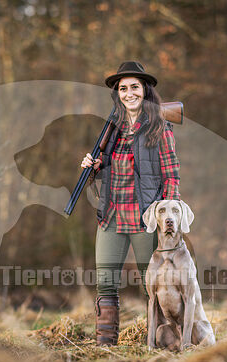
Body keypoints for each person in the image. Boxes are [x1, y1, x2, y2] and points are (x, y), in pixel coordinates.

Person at [80, 61, 181, 346]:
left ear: (145, 90)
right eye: (123, 89)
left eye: (134, 87)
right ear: (118, 94)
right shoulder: (111, 129)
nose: (128, 93)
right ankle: (105, 347)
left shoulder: (160, 126)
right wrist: (94, 165)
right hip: (111, 214)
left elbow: (171, 174)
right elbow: (110, 166)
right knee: (105, 283)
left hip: (146, 217)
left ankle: (164, 343)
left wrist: (168, 215)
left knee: (155, 287)